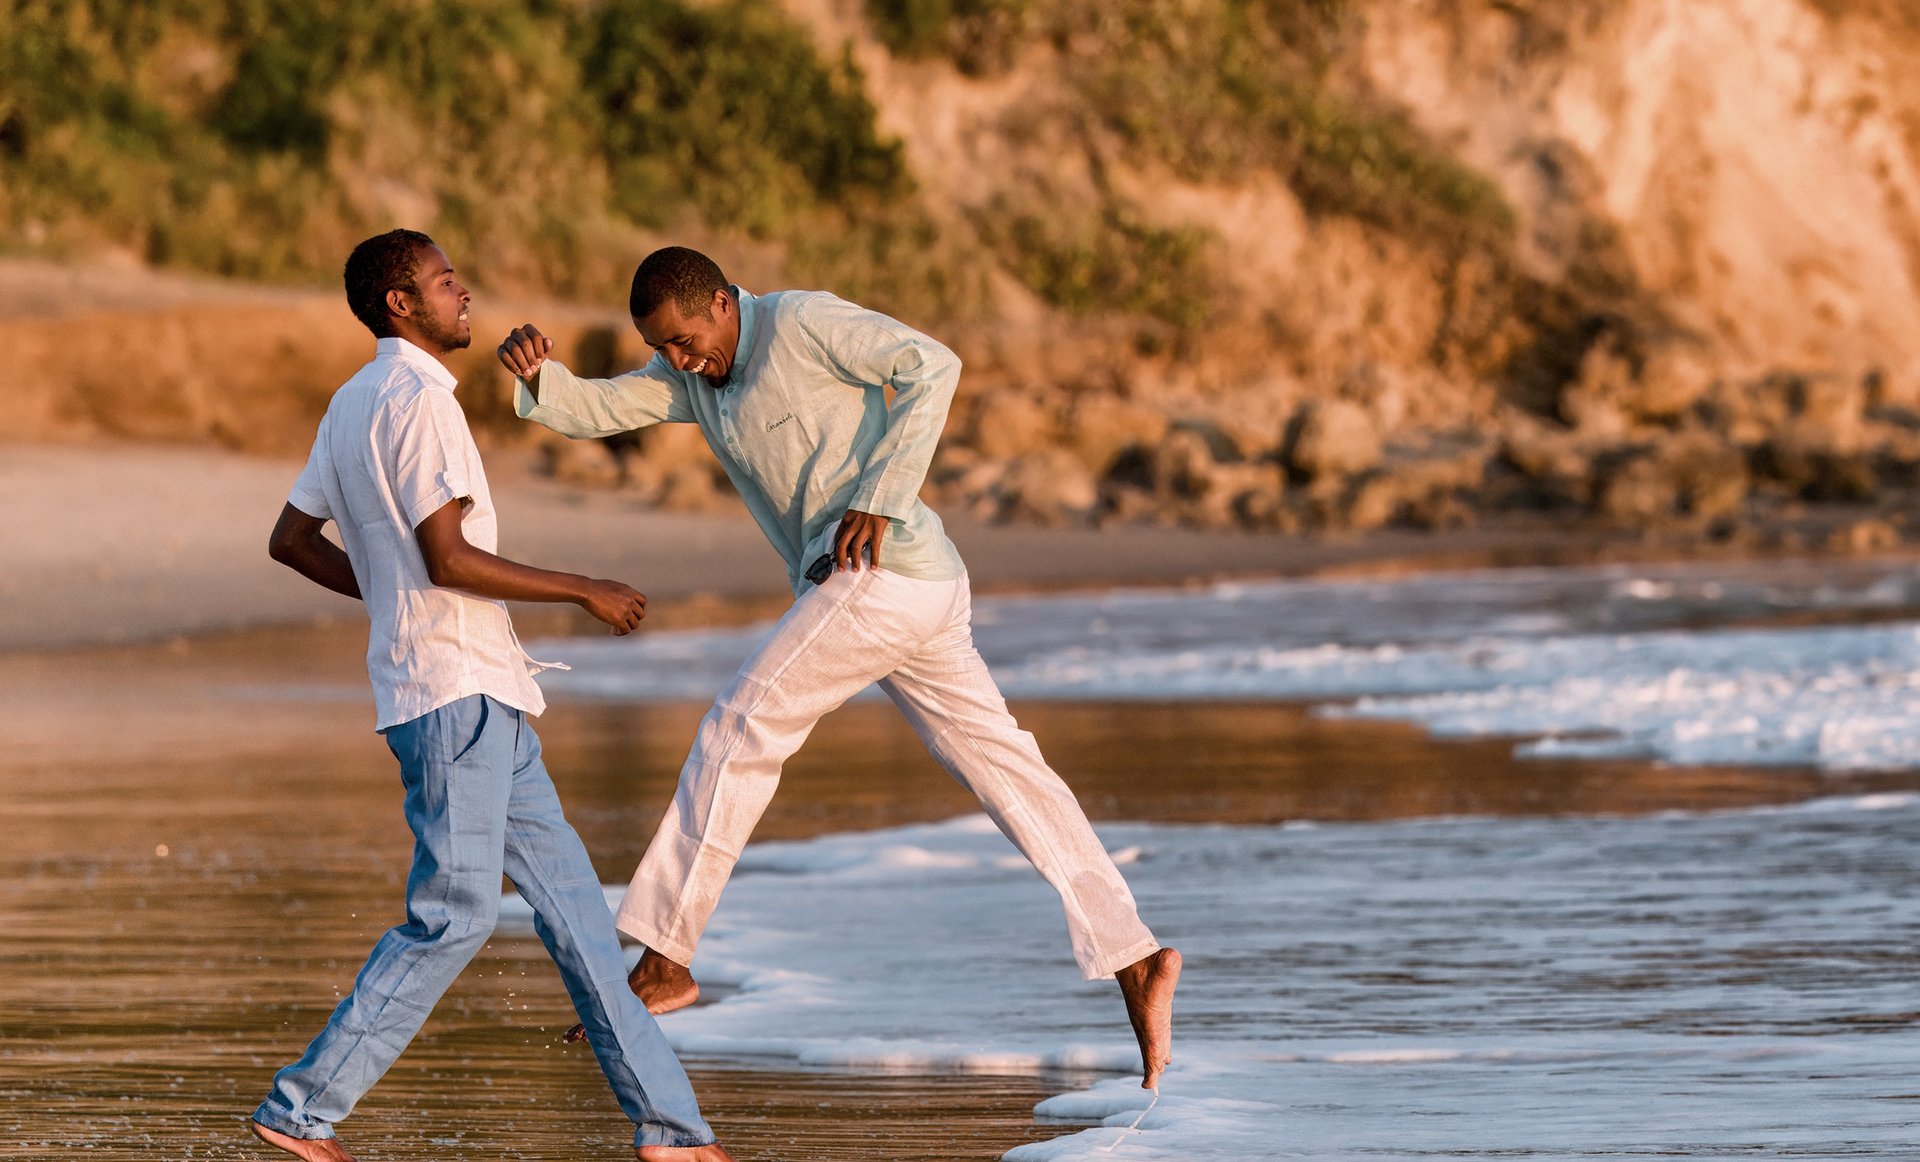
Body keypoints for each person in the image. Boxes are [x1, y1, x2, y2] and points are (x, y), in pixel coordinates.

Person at [496, 246, 1180, 1089]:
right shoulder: (693, 378)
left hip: (888, 575)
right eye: (663, 348)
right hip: (896, 590)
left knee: (741, 727)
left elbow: (934, 365)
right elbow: (598, 408)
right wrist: (540, 379)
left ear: (719, 301)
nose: (678, 360)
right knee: (1012, 775)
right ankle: (1134, 956)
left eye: (684, 339)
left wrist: (880, 496)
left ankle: (666, 956)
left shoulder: (804, 321)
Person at [254, 229, 734, 1162]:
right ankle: (301, 1109)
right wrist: (585, 588)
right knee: (457, 912)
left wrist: (386, 593)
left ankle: (675, 1133)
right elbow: (449, 558)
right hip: (451, 693)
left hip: (482, 701)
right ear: (402, 304)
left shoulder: (354, 402)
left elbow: (292, 538)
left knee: (586, 930)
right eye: (443, 282)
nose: (462, 290)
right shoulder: (420, 404)